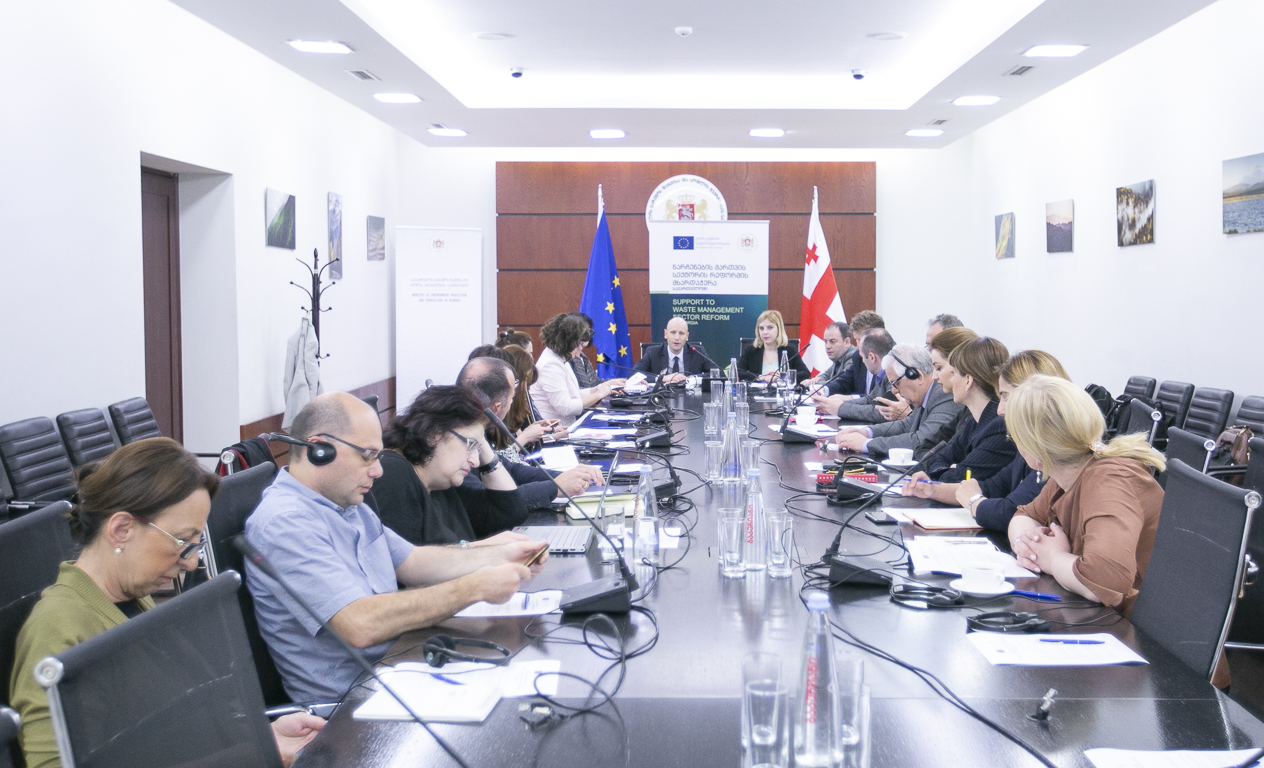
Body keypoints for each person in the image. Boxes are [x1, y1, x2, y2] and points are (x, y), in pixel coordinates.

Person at [10, 439, 324, 768]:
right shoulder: (58, 629)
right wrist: (249, 756)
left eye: (196, 542)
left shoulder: (132, 598)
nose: (192, 562)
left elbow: (167, 730)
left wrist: (261, 736)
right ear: (121, 529)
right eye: (182, 541)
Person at [244, 392, 547, 702]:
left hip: (400, 666)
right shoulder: (285, 523)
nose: (378, 470)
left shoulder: (344, 503)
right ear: (319, 450)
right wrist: (474, 587)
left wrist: (497, 555)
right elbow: (359, 623)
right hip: (353, 703)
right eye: (367, 456)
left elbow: (413, 561)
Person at [1006, 375, 1165, 615]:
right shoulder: (1069, 470)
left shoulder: (1109, 481)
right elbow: (1024, 515)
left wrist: (1052, 559)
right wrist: (1026, 545)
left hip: (1136, 626)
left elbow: (1105, 581)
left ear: (1035, 451)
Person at [903, 350, 1070, 531]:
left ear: (1034, 398)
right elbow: (991, 487)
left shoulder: (1057, 453)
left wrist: (974, 501)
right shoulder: (1028, 445)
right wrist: (932, 489)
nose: (1000, 410)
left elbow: (1009, 511)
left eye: (1006, 397)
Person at [453, 357, 603, 509]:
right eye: (512, 398)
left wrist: (566, 476)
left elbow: (509, 468)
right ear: (496, 408)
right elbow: (484, 501)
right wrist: (554, 488)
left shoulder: (471, 424)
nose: (512, 403)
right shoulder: (457, 437)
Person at [829, 344, 963, 457]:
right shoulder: (925, 394)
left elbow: (921, 440)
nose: (894, 391)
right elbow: (906, 425)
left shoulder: (944, 395)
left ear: (917, 376)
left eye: (896, 383)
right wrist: (866, 432)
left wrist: (866, 444)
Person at [914, 336, 1016, 484]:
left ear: (968, 381)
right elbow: (939, 459)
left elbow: (959, 478)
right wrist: (952, 468)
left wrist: (953, 469)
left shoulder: (999, 426)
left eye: (954, 373)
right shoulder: (974, 420)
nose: (952, 380)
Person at [530, 313, 621, 425]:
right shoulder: (550, 364)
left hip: (566, 427)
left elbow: (574, 395)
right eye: (578, 343)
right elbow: (565, 408)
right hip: (555, 430)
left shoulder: (561, 358)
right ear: (566, 342)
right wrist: (598, 395)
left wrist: (600, 388)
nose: (580, 347)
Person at [812, 329, 896, 423]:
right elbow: (870, 399)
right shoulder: (883, 372)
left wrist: (840, 409)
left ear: (872, 357)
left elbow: (883, 413)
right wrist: (834, 405)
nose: (863, 362)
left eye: (862, 357)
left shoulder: (895, 376)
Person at [736, 310, 810, 382]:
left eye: (770, 328)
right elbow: (737, 372)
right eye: (761, 328)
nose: (765, 332)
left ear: (779, 329)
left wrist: (783, 376)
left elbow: (805, 373)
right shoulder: (751, 350)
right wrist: (760, 377)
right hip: (756, 390)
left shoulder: (790, 350)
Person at [633, 316, 713, 383]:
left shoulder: (697, 352)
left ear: (687, 336)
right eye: (673, 332)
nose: (677, 338)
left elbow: (717, 373)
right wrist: (662, 378)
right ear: (665, 334)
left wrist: (692, 379)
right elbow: (633, 374)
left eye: (681, 333)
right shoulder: (653, 352)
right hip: (662, 396)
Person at [826, 310, 885, 396]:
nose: (857, 345)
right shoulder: (858, 356)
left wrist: (850, 398)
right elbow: (845, 381)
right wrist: (825, 390)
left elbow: (879, 397)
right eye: (856, 340)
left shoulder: (891, 359)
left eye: (860, 340)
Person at [803, 321, 854, 388]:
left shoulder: (852, 356)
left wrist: (811, 384)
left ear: (847, 342)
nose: (827, 346)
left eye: (832, 342)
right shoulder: (839, 357)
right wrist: (816, 379)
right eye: (825, 341)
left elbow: (840, 383)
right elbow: (826, 375)